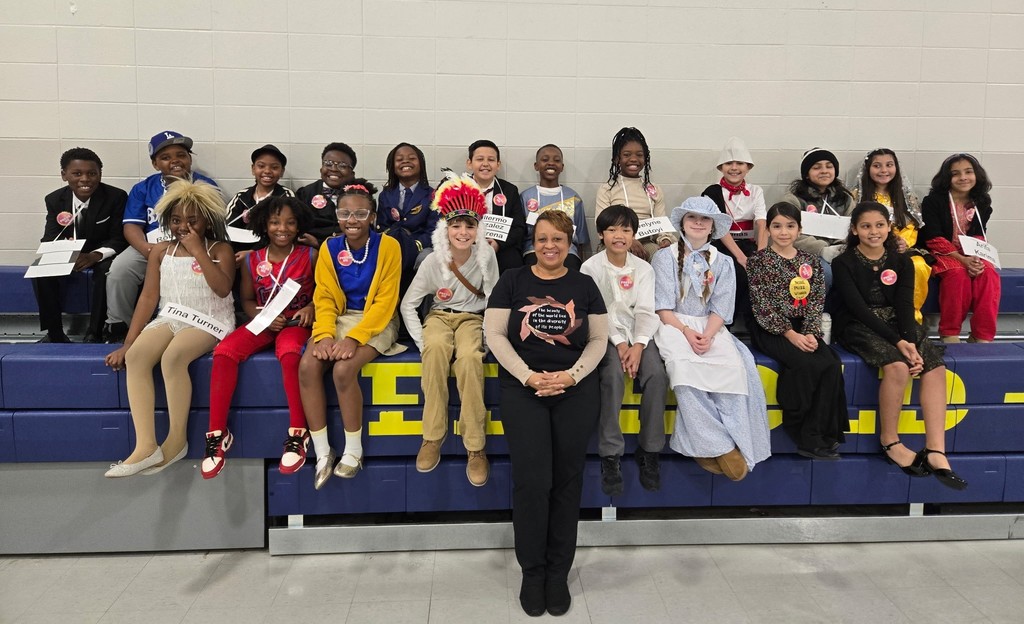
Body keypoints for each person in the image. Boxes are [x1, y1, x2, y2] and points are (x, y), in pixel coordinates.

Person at [484, 210, 608, 618]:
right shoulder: (513, 280)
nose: (549, 246)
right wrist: (528, 376)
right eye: (542, 238)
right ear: (532, 242)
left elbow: (598, 340)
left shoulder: (585, 285)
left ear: (570, 242)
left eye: (557, 239)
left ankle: (558, 572)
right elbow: (495, 335)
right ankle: (532, 572)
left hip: (574, 391)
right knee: (532, 482)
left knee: (566, 482)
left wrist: (570, 377)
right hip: (524, 390)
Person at [103, 180, 235, 477]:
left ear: (207, 220)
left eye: (192, 220)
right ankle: (146, 446)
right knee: (137, 357)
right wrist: (128, 342)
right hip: (171, 315)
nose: (183, 226)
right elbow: (149, 297)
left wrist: (198, 251)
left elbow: (223, 289)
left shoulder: (220, 249)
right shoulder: (160, 251)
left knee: (173, 357)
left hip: (210, 318)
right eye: (176, 220)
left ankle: (177, 440)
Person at [833, 202, 966, 490]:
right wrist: (901, 344)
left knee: (934, 366)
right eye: (866, 226)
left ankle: (935, 449)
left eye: (880, 225)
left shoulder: (902, 261)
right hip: (858, 324)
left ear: (889, 229)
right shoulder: (844, 263)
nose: (873, 231)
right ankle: (890, 441)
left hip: (897, 322)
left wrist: (910, 339)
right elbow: (858, 309)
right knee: (897, 366)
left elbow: (905, 305)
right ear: (854, 230)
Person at [652, 197, 771, 481]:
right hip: (673, 324)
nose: (698, 223)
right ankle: (720, 446)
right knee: (685, 374)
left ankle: (734, 441)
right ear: (682, 223)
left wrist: (707, 333)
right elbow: (662, 307)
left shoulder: (724, 262)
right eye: (692, 218)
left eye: (705, 220)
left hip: (711, 326)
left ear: (712, 228)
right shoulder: (664, 257)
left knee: (734, 372)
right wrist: (686, 332)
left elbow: (721, 307)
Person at [298, 180, 405, 489]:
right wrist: (324, 335)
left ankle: (353, 450)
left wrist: (354, 339)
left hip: (378, 321)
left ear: (372, 216)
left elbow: (385, 302)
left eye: (360, 213)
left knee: (344, 370)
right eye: (345, 213)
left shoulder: (388, 246)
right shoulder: (330, 247)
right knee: (307, 366)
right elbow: (326, 298)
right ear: (337, 215)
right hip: (340, 319)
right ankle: (322, 451)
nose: (352, 221)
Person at [201, 197, 317, 479]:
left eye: (290, 222)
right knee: (225, 352)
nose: (283, 228)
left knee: (290, 353)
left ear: (299, 225)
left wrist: (310, 307)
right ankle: (217, 434)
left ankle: (298, 434)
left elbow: (324, 293)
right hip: (264, 321)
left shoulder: (311, 255)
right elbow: (248, 300)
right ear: (265, 224)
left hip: (295, 323)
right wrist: (261, 315)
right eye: (276, 221)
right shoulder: (251, 259)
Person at [399, 175, 498, 487]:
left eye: (469, 226)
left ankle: (475, 446)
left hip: (472, 318)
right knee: (437, 352)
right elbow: (408, 305)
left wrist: (488, 338)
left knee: (469, 359)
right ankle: (432, 437)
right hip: (439, 318)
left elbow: (495, 300)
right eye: (456, 226)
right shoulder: (432, 262)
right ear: (445, 229)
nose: (463, 232)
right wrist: (421, 340)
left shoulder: (486, 257)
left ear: (477, 230)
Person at [747, 202, 848, 459]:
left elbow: (815, 301)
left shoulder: (809, 261)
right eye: (777, 226)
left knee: (830, 363)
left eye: (790, 226)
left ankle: (825, 431)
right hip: (771, 328)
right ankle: (802, 432)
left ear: (799, 229)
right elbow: (762, 305)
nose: (784, 232)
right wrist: (790, 335)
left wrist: (811, 333)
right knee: (806, 365)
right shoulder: (759, 261)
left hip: (804, 327)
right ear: (767, 229)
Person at [580, 205, 668, 495]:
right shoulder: (589, 268)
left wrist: (640, 345)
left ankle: (650, 450)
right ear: (602, 234)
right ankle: (610, 454)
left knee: (657, 374)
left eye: (626, 230)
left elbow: (645, 310)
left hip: (640, 335)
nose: (619, 235)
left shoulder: (644, 268)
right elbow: (598, 313)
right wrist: (620, 344)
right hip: (605, 336)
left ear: (634, 235)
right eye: (612, 229)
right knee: (613, 376)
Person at [104, 131, 217, 343]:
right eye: (165, 157)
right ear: (155, 164)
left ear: (189, 159)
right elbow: (131, 226)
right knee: (120, 270)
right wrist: (147, 250)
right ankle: (120, 326)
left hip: (192, 245)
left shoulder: (206, 185)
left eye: (181, 155)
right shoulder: (143, 188)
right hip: (151, 245)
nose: (175, 161)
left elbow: (214, 224)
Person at [33, 147, 127, 343]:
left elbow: (119, 238)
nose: (85, 179)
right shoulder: (54, 199)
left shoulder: (116, 197)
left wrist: (95, 255)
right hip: (71, 253)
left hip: (102, 253)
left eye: (92, 173)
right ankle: (55, 332)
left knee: (105, 272)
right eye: (77, 173)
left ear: (100, 174)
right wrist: (64, 252)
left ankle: (95, 331)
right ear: (64, 175)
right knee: (41, 271)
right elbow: (49, 237)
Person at [920, 153, 1000, 344]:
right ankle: (949, 333)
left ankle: (982, 335)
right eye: (956, 174)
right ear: (947, 178)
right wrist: (962, 260)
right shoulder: (933, 201)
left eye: (968, 172)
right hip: (941, 251)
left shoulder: (982, 201)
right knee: (958, 275)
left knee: (989, 274)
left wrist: (976, 259)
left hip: (971, 252)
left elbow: (979, 234)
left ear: (977, 175)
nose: (963, 177)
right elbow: (933, 237)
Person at [852, 148, 931, 323]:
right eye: (877, 166)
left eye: (889, 165)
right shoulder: (857, 195)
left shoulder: (906, 197)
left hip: (900, 249)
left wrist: (904, 242)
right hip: (869, 248)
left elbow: (912, 225)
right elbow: (853, 226)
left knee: (918, 264)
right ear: (868, 169)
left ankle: (911, 317)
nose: (883, 170)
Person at [701, 136, 767, 324]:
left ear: (748, 167)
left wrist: (761, 255)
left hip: (748, 243)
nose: (734, 168)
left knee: (760, 272)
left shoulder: (756, 191)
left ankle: (755, 323)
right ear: (721, 167)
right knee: (736, 272)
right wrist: (741, 258)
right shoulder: (712, 192)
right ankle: (726, 323)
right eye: (729, 163)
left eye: (740, 163)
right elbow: (719, 229)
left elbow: (762, 223)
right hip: (722, 244)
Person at [595, 127, 674, 260]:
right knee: (624, 254)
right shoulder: (607, 189)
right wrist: (628, 240)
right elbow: (601, 225)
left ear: (645, 158)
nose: (633, 159)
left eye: (639, 155)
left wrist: (665, 240)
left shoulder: (654, 189)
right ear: (616, 159)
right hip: (615, 241)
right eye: (626, 155)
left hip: (646, 242)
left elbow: (661, 222)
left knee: (664, 257)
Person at [781, 147, 855, 288]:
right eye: (816, 167)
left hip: (842, 251)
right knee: (825, 272)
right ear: (807, 174)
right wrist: (821, 249)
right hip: (805, 254)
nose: (824, 171)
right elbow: (787, 233)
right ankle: (821, 309)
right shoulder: (794, 199)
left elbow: (854, 227)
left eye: (829, 166)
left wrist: (842, 247)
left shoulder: (845, 199)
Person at [376, 143, 437, 294]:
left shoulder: (433, 195)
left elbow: (434, 230)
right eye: (399, 159)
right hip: (393, 245)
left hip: (420, 247)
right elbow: (382, 226)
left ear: (421, 164)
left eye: (411, 158)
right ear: (392, 166)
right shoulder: (386, 195)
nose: (405, 161)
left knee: (426, 258)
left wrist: (414, 245)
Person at [520, 144, 590, 270]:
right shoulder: (525, 197)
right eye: (545, 159)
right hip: (533, 252)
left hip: (568, 252)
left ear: (562, 167)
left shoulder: (574, 197)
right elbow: (521, 235)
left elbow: (580, 241)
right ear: (536, 166)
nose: (551, 163)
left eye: (556, 160)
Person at [224, 144, 295, 259]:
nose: (267, 171)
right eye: (261, 166)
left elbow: (287, 233)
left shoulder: (286, 197)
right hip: (240, 251)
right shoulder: (241, 197)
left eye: (274, 167)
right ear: (253, 169)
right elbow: (228, 228)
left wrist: (253, 252)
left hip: (273, 252)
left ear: (282, 171)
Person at [466, 139, 525, 273]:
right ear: (469, 163)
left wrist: (498, 244)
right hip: (465, 245)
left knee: (513, 262)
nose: (485, 164)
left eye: (491, 160)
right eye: (480, 159)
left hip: (500, 246)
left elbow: (518, 227)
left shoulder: (509, 190)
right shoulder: (457, 189)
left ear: (498, 165)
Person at [295, 142, 358, 246]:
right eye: (328, 164)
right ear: (321, 169)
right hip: (312, 250)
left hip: (350, 248)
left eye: (342, 165)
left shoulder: (359, 195)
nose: (333, 169)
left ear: (352, 174)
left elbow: (365, 229)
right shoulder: (306, 193)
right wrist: (316, 243)